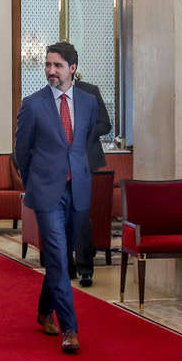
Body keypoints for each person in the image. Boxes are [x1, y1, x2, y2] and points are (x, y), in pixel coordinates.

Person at [15, 42, 98, 353]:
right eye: (48, 65)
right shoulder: (33, 104)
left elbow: (84, 144)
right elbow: (21, 152)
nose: (51, 70)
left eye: (57, 65)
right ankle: (70, 328)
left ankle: (42, 310)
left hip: (77, 190)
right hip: (47, 193)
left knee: (60, 259)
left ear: (72, 69)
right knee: (58, 258)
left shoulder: (89, 102)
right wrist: (34, 183)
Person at [70, 75, 111, 287]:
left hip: (85, 161)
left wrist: (84, 131)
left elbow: (105, 124)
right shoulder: (48, 93)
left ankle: (85, 269)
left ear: (72, 67)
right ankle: (66, 266)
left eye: (59, 64)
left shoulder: (90, 91)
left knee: (81, 215)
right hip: (57, 163)